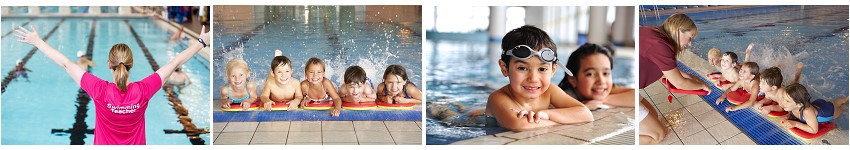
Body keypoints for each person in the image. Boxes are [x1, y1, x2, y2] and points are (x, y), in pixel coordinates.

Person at [14, 25, 210, 145]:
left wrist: (38, 42)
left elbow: (66, 63)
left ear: (109, 64)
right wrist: (201, 42)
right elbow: (174, 63)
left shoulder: (99, 89)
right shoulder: (143, 90)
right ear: (131, 65)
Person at [487, 25, 593, 132]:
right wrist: (561, 121)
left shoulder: (550, 91)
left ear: (553, 70)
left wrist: (546, 114)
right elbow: (520, 125)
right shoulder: (497, 98)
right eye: (522, 68)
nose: (533, 79)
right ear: (504, 68)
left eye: (542, 69)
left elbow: (586, 114)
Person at [638, 14, 711, 144]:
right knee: (658, 135)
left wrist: (694, 79)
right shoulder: (660, 45)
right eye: (689, 38)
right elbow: (679, 83)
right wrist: (703, 86)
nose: (689, 43)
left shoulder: (654, 33)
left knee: (654, 116)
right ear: (678, 30)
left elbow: (671, 71)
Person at [559, 43, 635, 110]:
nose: (601, 81)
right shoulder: (564, 97)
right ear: (573, 80)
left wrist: (603, 101)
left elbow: (637, 95)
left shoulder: (603, 89)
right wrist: (583, 108)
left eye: (605, 73)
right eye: (590, 74)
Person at [777, 83, 848, 134]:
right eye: (783, 97)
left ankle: (846, 101)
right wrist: (787, 116)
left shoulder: (807, 112)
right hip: (817, 105)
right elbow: (794, 114)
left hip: (827, 111)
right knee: (836, 103)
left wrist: (795, 124)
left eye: (787, 101)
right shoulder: (793, 106)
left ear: (799, 104)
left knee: (839, 107)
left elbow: (814, 130)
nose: (783, 102)